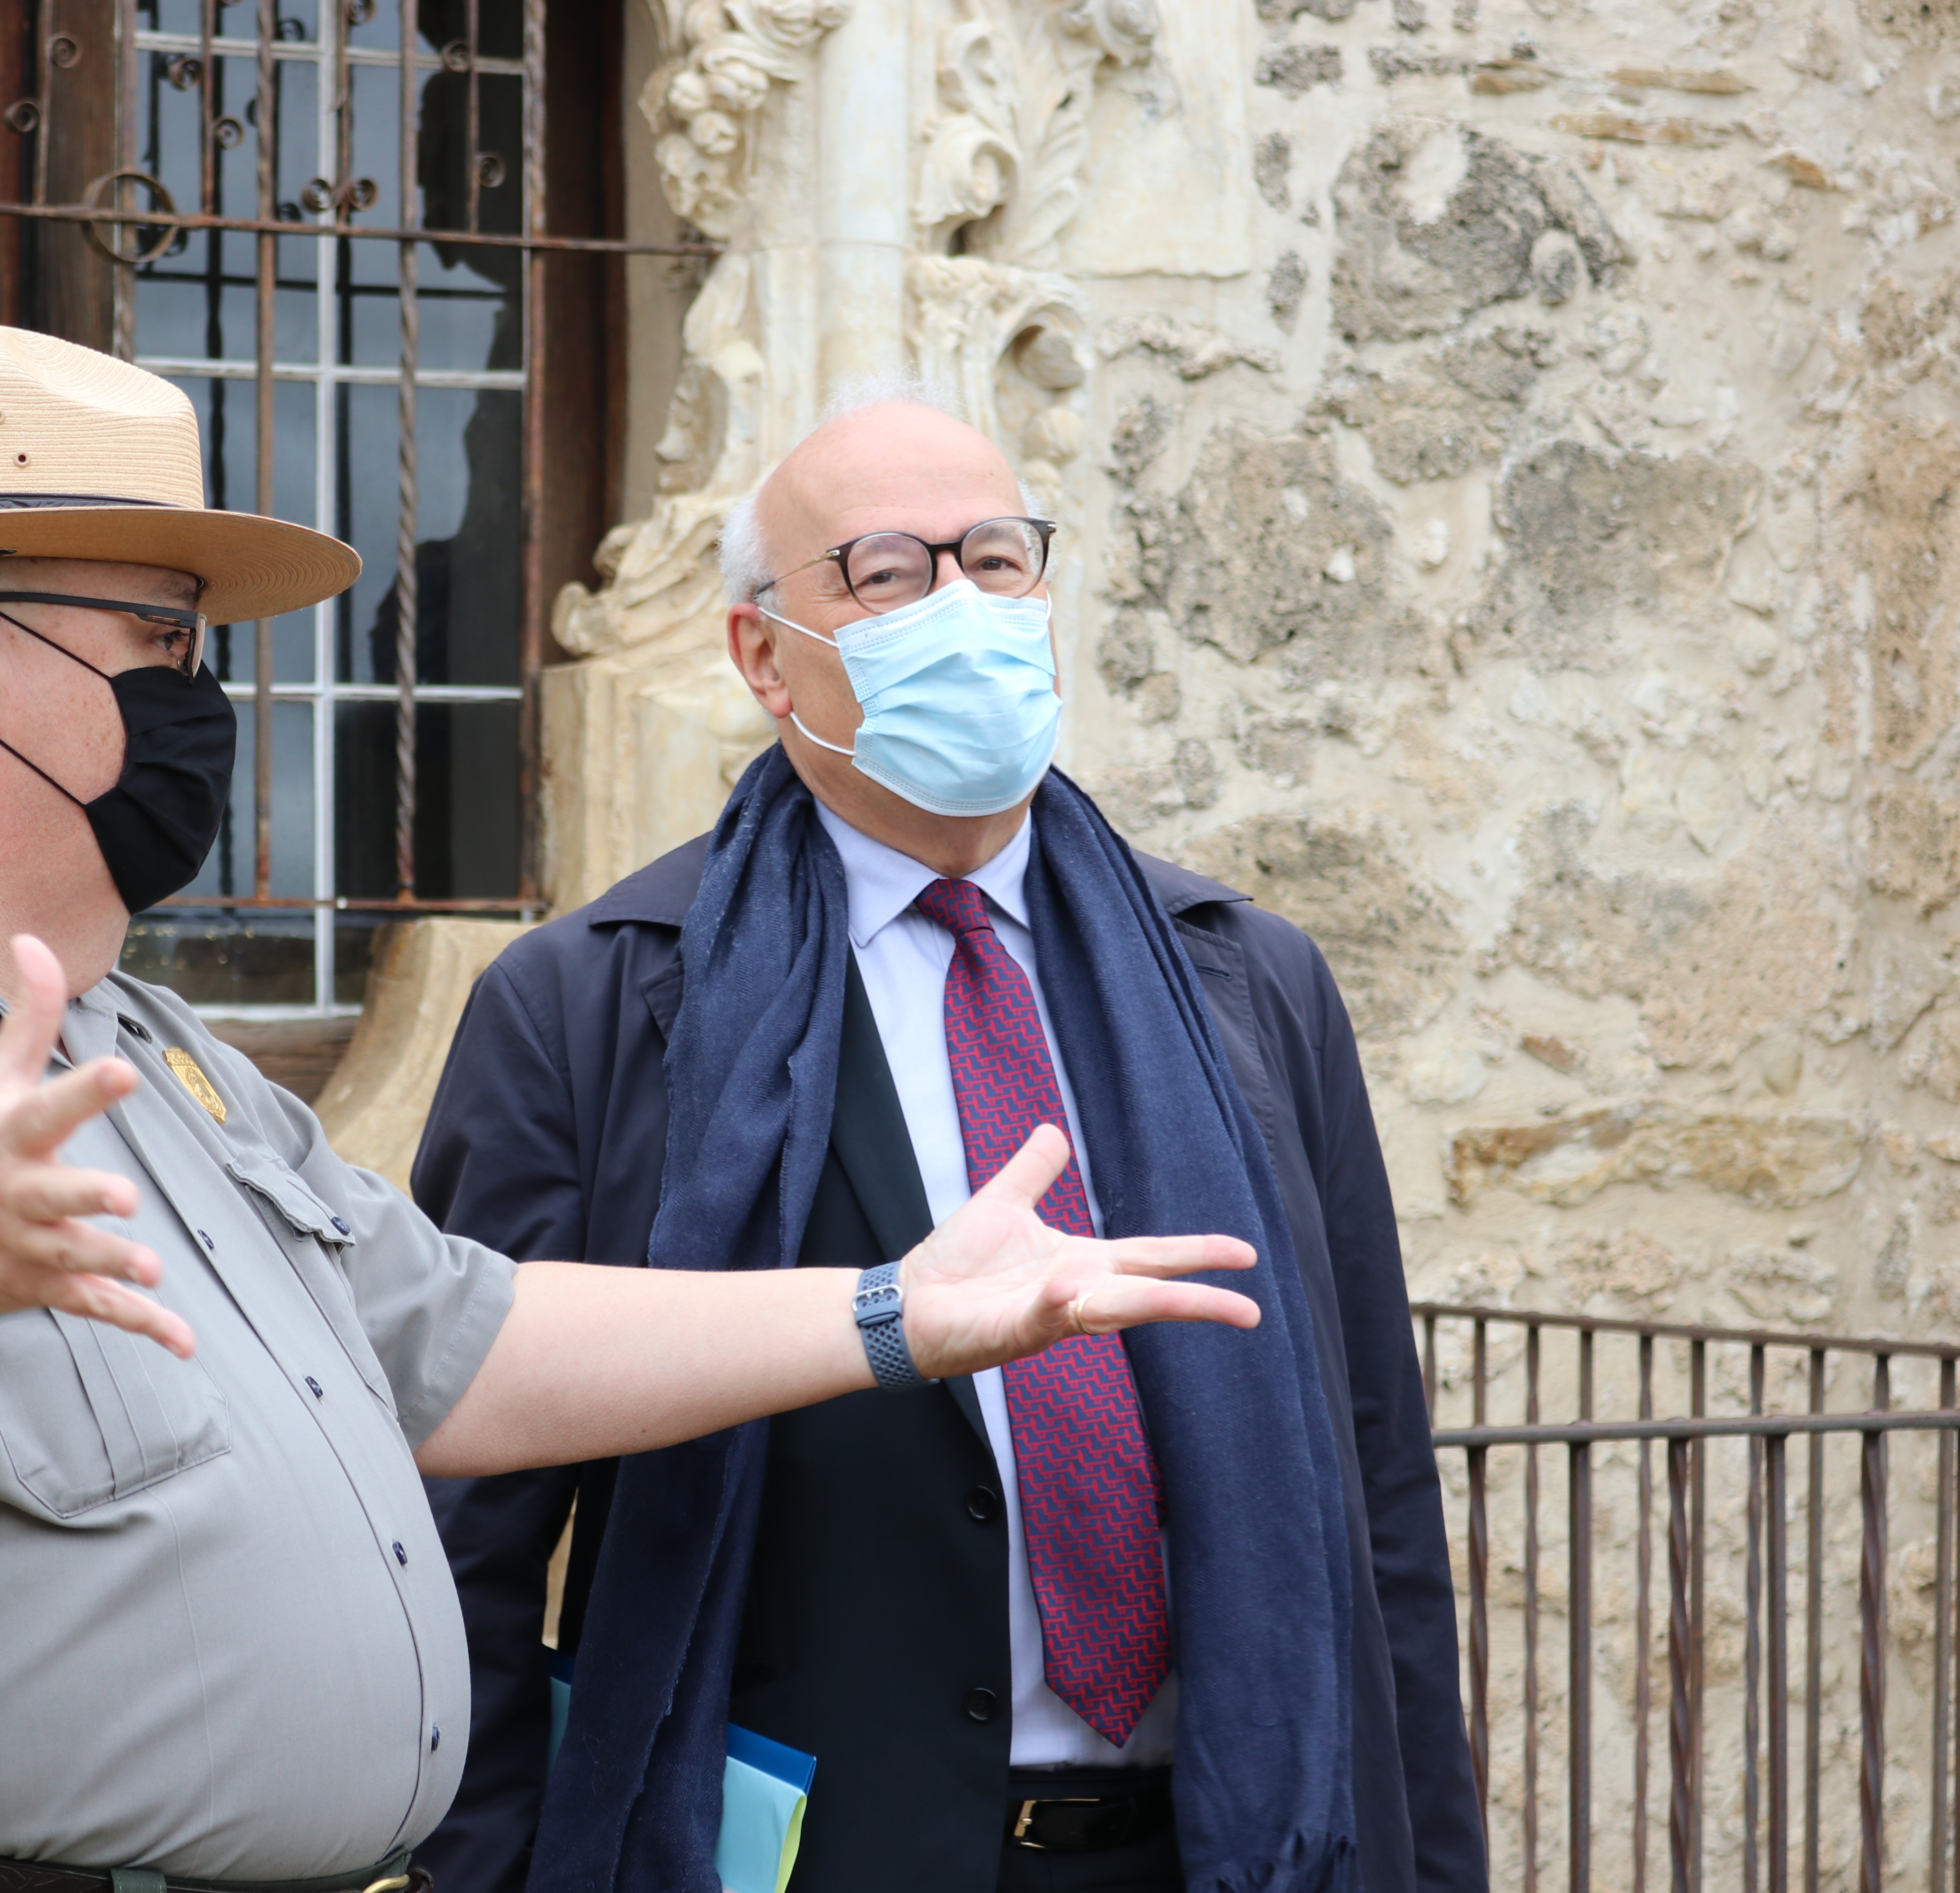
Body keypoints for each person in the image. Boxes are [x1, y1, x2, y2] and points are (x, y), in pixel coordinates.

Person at [0, 328, 1265, 1893]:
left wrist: (901, 1314)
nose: (208, 701)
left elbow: (464, 1343)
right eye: (162, 638)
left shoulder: (137, 1047)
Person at [412, 386, 1488, 1893]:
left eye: (996, 558)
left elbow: (1376, 1480)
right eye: (887, 572)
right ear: (763, 656)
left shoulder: (1246, 979)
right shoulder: (595, 1008)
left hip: (1218, 1849)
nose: (963, 605)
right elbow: (464, 1525)